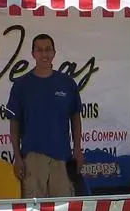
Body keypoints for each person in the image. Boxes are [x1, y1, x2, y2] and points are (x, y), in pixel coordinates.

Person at [6, 33, 84, 197]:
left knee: (62, 210)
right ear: (33, 54)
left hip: (62, 157)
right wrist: (17, 157)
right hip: (32, 159)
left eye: (48, 49)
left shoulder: (67, 83)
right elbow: (14, 123)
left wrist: (77, 149)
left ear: (54, 53)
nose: (44, 54)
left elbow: (75, 118)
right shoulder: (21, 85)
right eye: (39, 50)